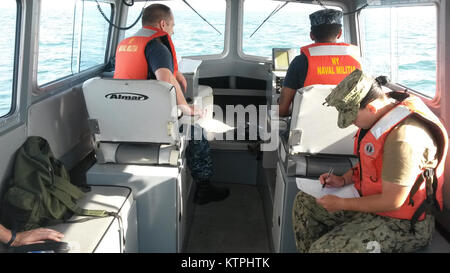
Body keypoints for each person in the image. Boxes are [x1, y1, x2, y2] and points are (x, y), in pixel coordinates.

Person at [292, 69, 448, 253]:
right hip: (372, 201)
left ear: (372, 107)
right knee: (305, 203)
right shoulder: (381, 115)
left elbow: (393, 201)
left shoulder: (403, 139)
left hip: (404, 223)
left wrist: (341, 204)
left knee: (322, 250)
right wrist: (344, 180)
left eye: (353, 117)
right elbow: (374, 165)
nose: (351, 123)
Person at [114, 4, 229, 205]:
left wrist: (174, 73)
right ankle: (203, 187)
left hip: (122, 124)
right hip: (152, 126)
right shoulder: (157, 46)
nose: (173, 31)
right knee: (196, 130)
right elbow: (163, 79)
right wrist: (185, 107)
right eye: (172, 25)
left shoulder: (125, 44)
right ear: (163, 23)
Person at [278, 9, 362, 116]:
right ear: (340, 34)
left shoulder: (300, 62)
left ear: (311, 35)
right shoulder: (356, 61)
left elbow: (281, 110)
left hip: (309, 129)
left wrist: (293, 111)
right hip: (349, 129)